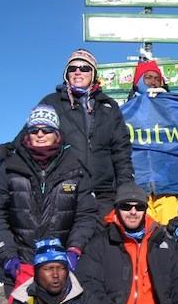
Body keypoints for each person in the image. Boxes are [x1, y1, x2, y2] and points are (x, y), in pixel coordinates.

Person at [0, 104, 97, 295]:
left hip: (62, 265)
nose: (40, 134)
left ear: (57, 134)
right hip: (21, 265)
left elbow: (86, 214)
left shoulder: (76, 169)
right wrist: (7, 255)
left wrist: (74, 249)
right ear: (27, 134)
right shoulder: (6, 170)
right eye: (34, 130)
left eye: (47, 130)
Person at [34, 48, 133, 215]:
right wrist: (8, 151)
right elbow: (31, 138)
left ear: (93, 74)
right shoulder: (51, 103)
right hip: (64, 193)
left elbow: (121, 151)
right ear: (66, 74)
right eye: (72, 68)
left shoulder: (108, 107)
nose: (78, 72)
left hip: (104, 195)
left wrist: (125, 190)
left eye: (85, 68)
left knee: (103, 240)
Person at [128, 60, 178, 224]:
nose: (153, 82)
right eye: (148, 78)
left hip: (168, 184)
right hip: (139, 187)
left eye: (157, 79)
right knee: (143, 236)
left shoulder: (174, 109)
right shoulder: (127, 112)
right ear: (138, 82)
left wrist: (165, 102)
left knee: (167, 236)